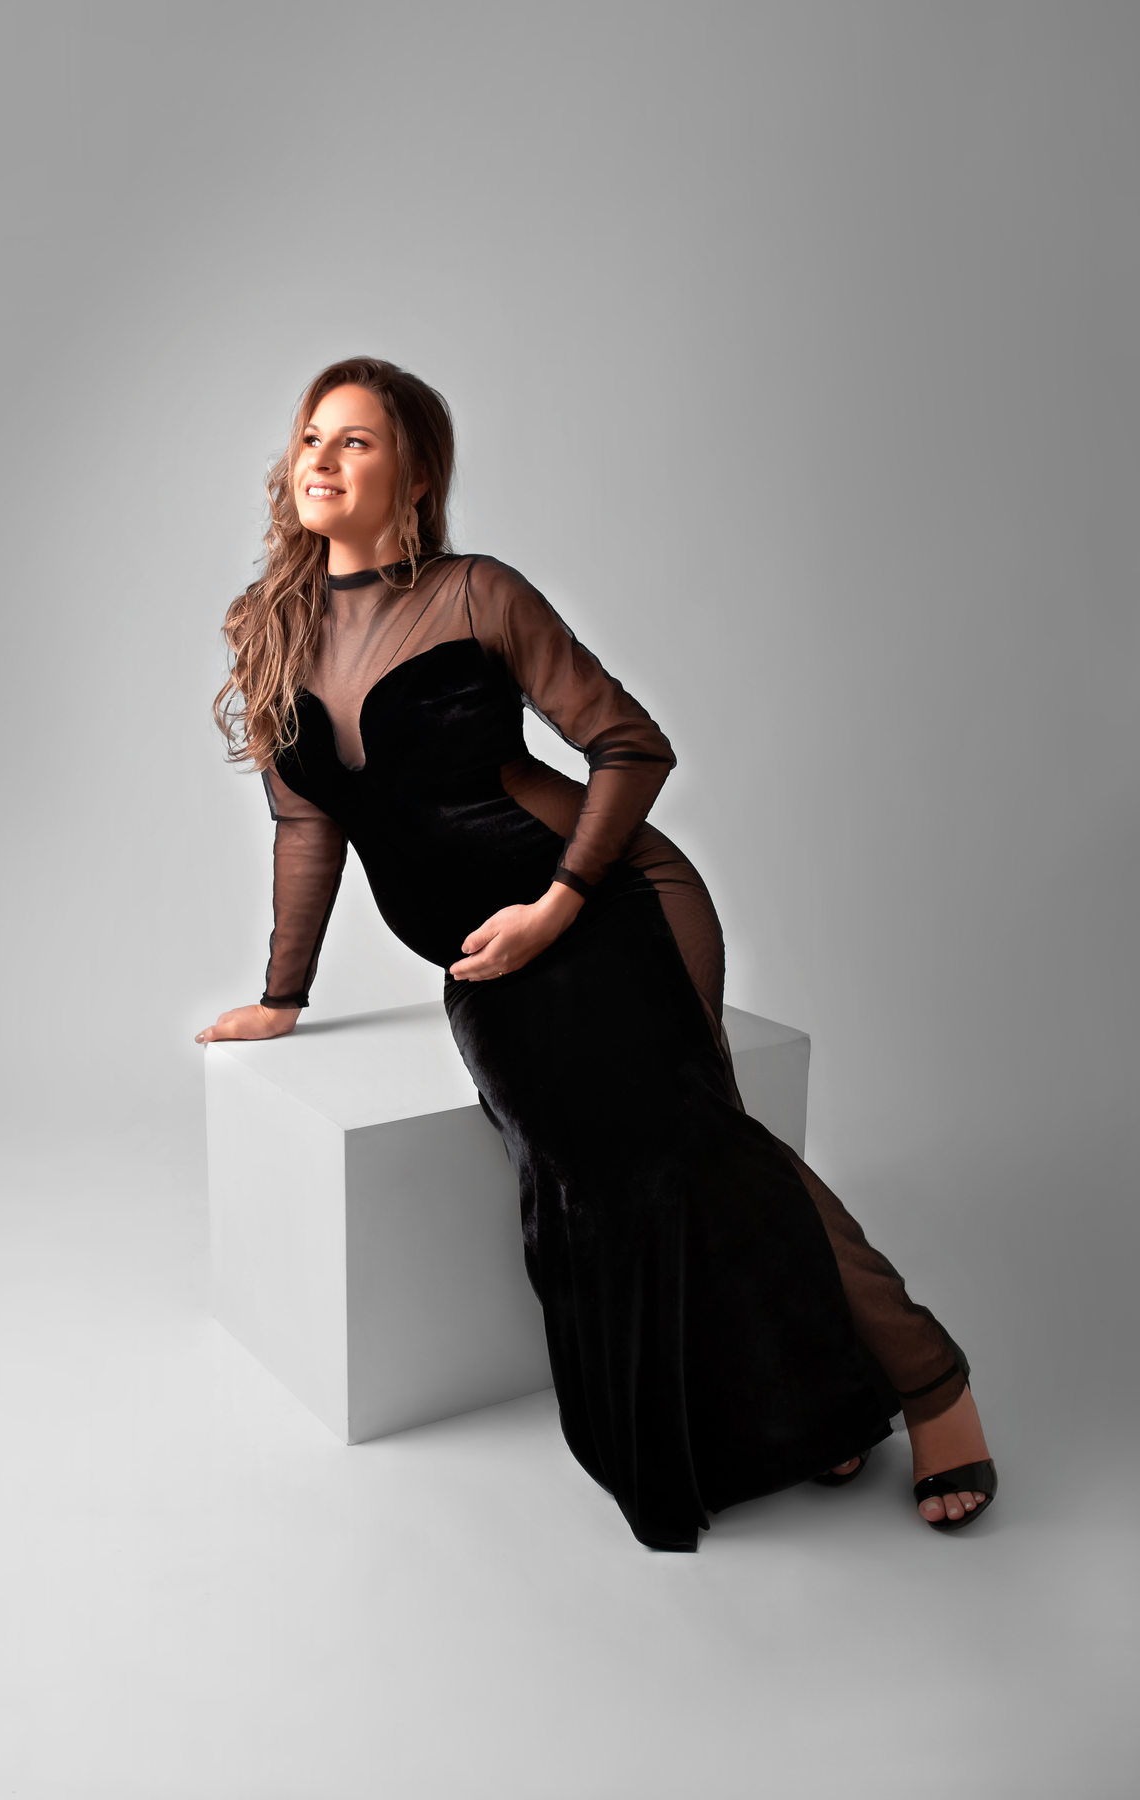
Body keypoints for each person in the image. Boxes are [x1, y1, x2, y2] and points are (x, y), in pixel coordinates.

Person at [196, 357, 997, 1551]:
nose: (321, 459)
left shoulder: (479, 594)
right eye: (313, 436)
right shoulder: (274, 627)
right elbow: (307, 827)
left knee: (703, 1143)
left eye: (355, 441)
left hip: (609, 899)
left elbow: (632, 745)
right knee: (594, 1180)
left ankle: (934, 1386)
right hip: (490, 956)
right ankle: (818, 1409)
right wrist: (283, 997)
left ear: (413, 477)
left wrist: (558, 904)